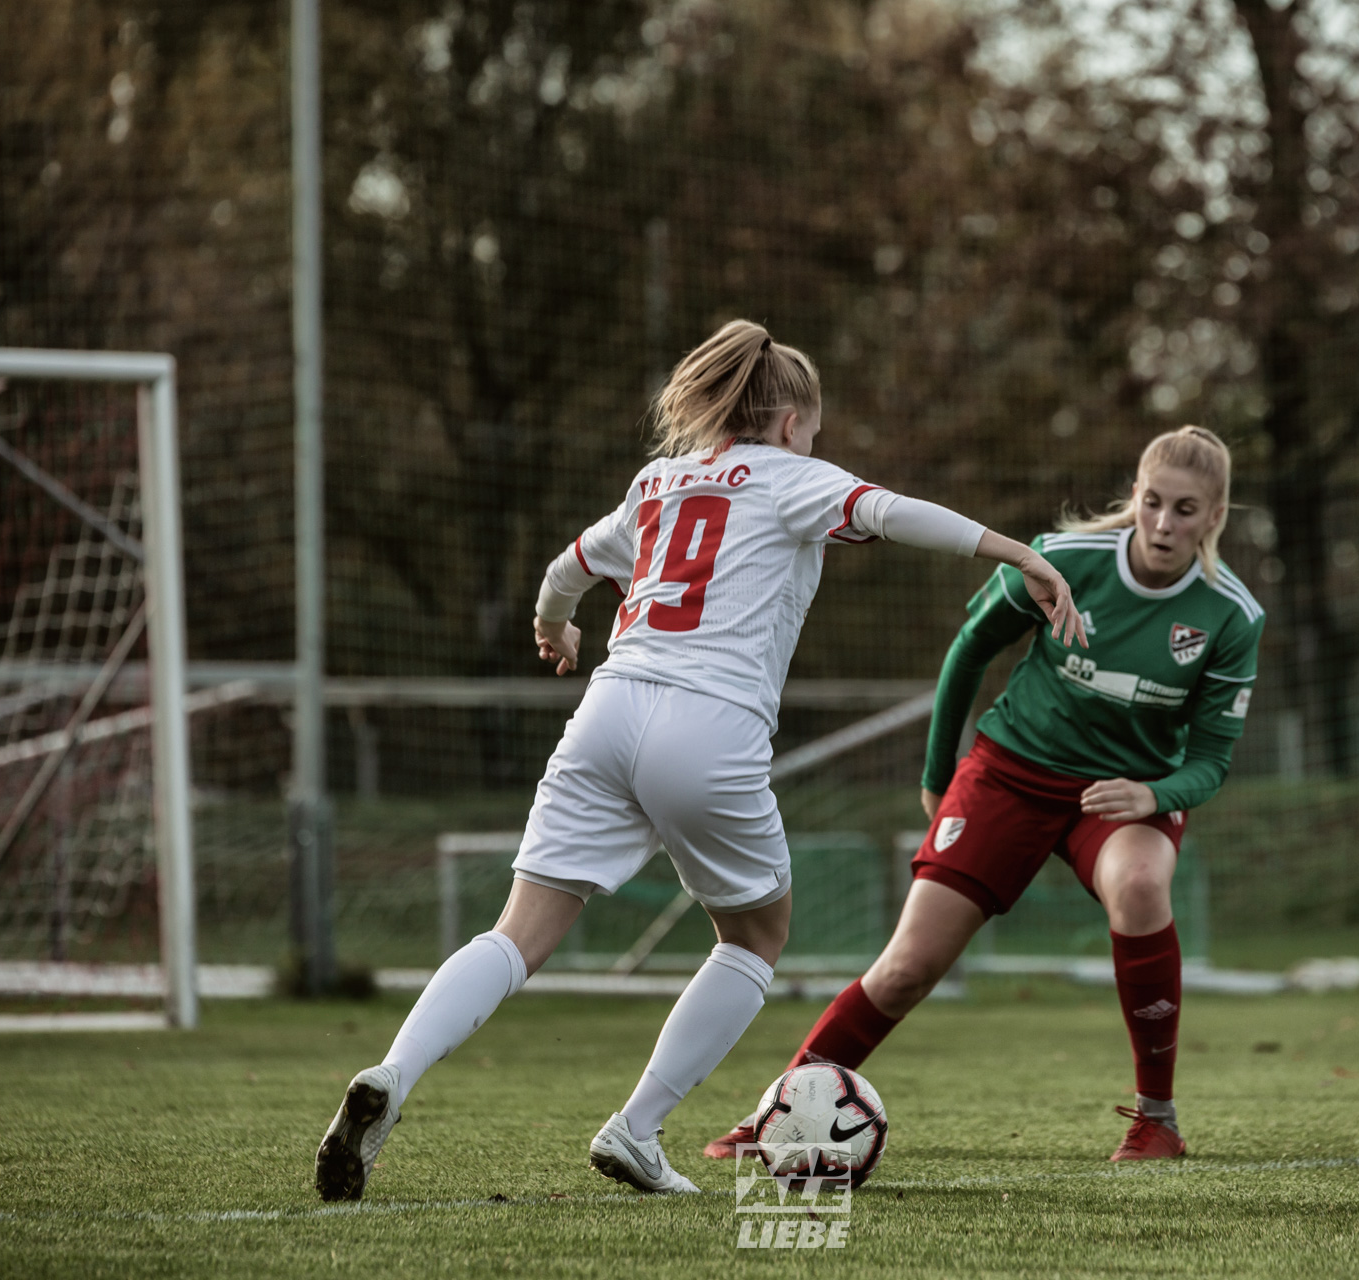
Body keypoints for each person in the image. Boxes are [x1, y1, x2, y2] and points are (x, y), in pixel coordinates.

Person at [314, 320, 1086, 1200]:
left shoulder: (659, 480)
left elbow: (566, 568)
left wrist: (553, 628)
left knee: (519, 932)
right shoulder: (795, 477)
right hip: (708, 724)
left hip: (608, 709)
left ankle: (393, 1075)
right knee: (757, 936)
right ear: (793, 422)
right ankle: (636, 1128)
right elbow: (888, 511)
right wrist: (1019, 553)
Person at [705, 425, 1263, 1164]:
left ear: (1215, 516)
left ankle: (1156, 1120)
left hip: (1117, 797)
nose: (1163, 524)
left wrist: (1155, 793)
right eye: (1152, 502)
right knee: (906, 967)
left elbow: (1214, 760)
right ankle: (781, 1115)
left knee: (1139, 883)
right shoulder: (1061, 561)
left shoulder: (1231, 615)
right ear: (1134, 495)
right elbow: (969, 650)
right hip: (1011, 773)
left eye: (1185, 510)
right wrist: (939, 774)